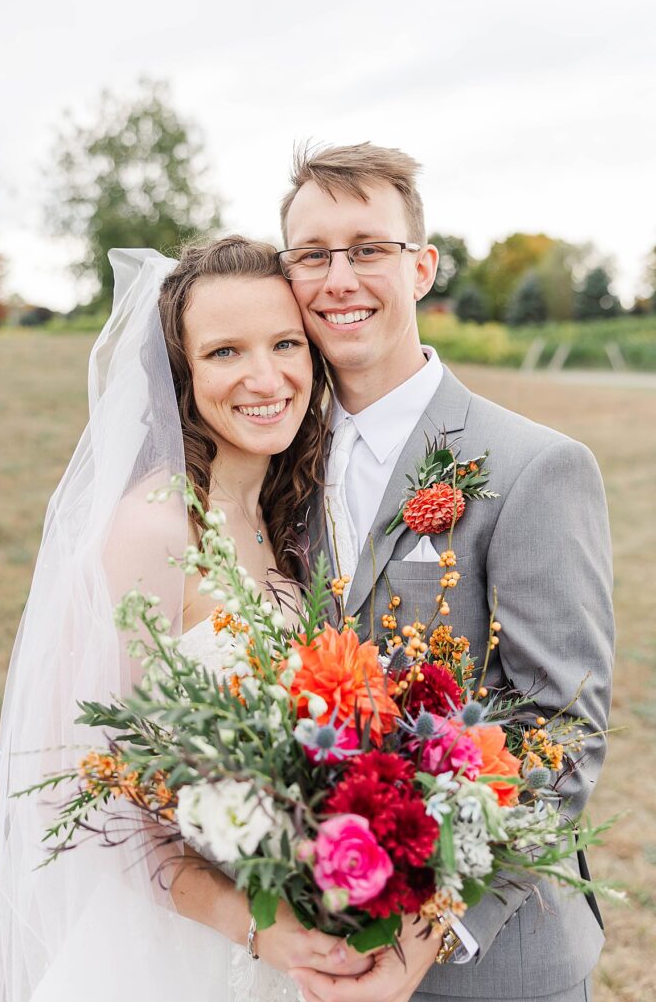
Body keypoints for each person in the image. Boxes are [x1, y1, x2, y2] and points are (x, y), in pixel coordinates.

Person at [0, 236, 369, 1001]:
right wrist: (255, 925)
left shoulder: (288, 520)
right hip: (173, 958)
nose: (265, 377)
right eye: (225, 352)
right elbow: (73, 783)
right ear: (180, 377)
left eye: (285, 342)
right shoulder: (154, 528)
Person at [277, 144, 613, 1002]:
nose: (338, 277)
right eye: (312, 254)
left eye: (367, 248)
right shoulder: (275, 464)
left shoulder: (536, 465)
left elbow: (560, 732)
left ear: (420, 267)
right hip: (313, 946)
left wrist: (436, 930)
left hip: (488, 962)